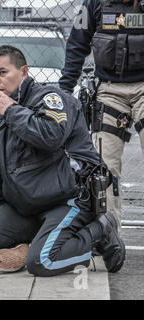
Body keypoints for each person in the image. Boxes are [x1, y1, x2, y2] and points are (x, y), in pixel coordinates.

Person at [0, 45, 126, 277]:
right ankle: (39, 241)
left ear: (23, 72)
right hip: (27, 206)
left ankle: (100, 231)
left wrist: (11, 111)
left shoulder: (52, 98)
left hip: (68, 198)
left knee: (42, 262)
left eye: (3, 73)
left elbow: (51, 136)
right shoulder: (0, 125)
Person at [59, 0, 144, 229]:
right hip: (109, 89)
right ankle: (108, 235)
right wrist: (65, 89)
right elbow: (77, 44)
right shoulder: (94, 4)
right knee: (103, 168)